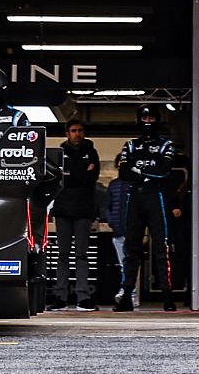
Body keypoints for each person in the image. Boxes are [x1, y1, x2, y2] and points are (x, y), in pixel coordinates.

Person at [115, 104, 185, 310]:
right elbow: (124, 173)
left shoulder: (166, 145)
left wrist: (138, 170)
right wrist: (147, 172)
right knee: (131, 249)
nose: (147, 122)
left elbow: (164, 171)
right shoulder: (131, 144)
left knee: (161, 248)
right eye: (144, 119)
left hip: (157, 198)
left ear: (157, 120)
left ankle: (167, 297)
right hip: (134, 199)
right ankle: (126, 296)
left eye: (151, 119)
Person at [51, 118, 103, 311]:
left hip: (84, 209)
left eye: (80, 130)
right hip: (63, 208)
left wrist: (72, 175)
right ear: (67, 133)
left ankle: (83, 297)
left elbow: (90, 178)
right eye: (73, 130)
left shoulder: (92, 152)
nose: (77, 134)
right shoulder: (60, 153)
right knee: (62, 254)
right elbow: (60, 179)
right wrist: (79, 174)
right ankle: (60, 297)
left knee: (82, 254)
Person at [102, 163, 138, 309]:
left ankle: (130, 293)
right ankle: (127, 292)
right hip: (118, 231)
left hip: (132, 231)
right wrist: (111, 221)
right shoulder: (113, 185)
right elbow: (107, 206)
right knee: (123, 264)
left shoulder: (135, 184)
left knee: (130, 265)